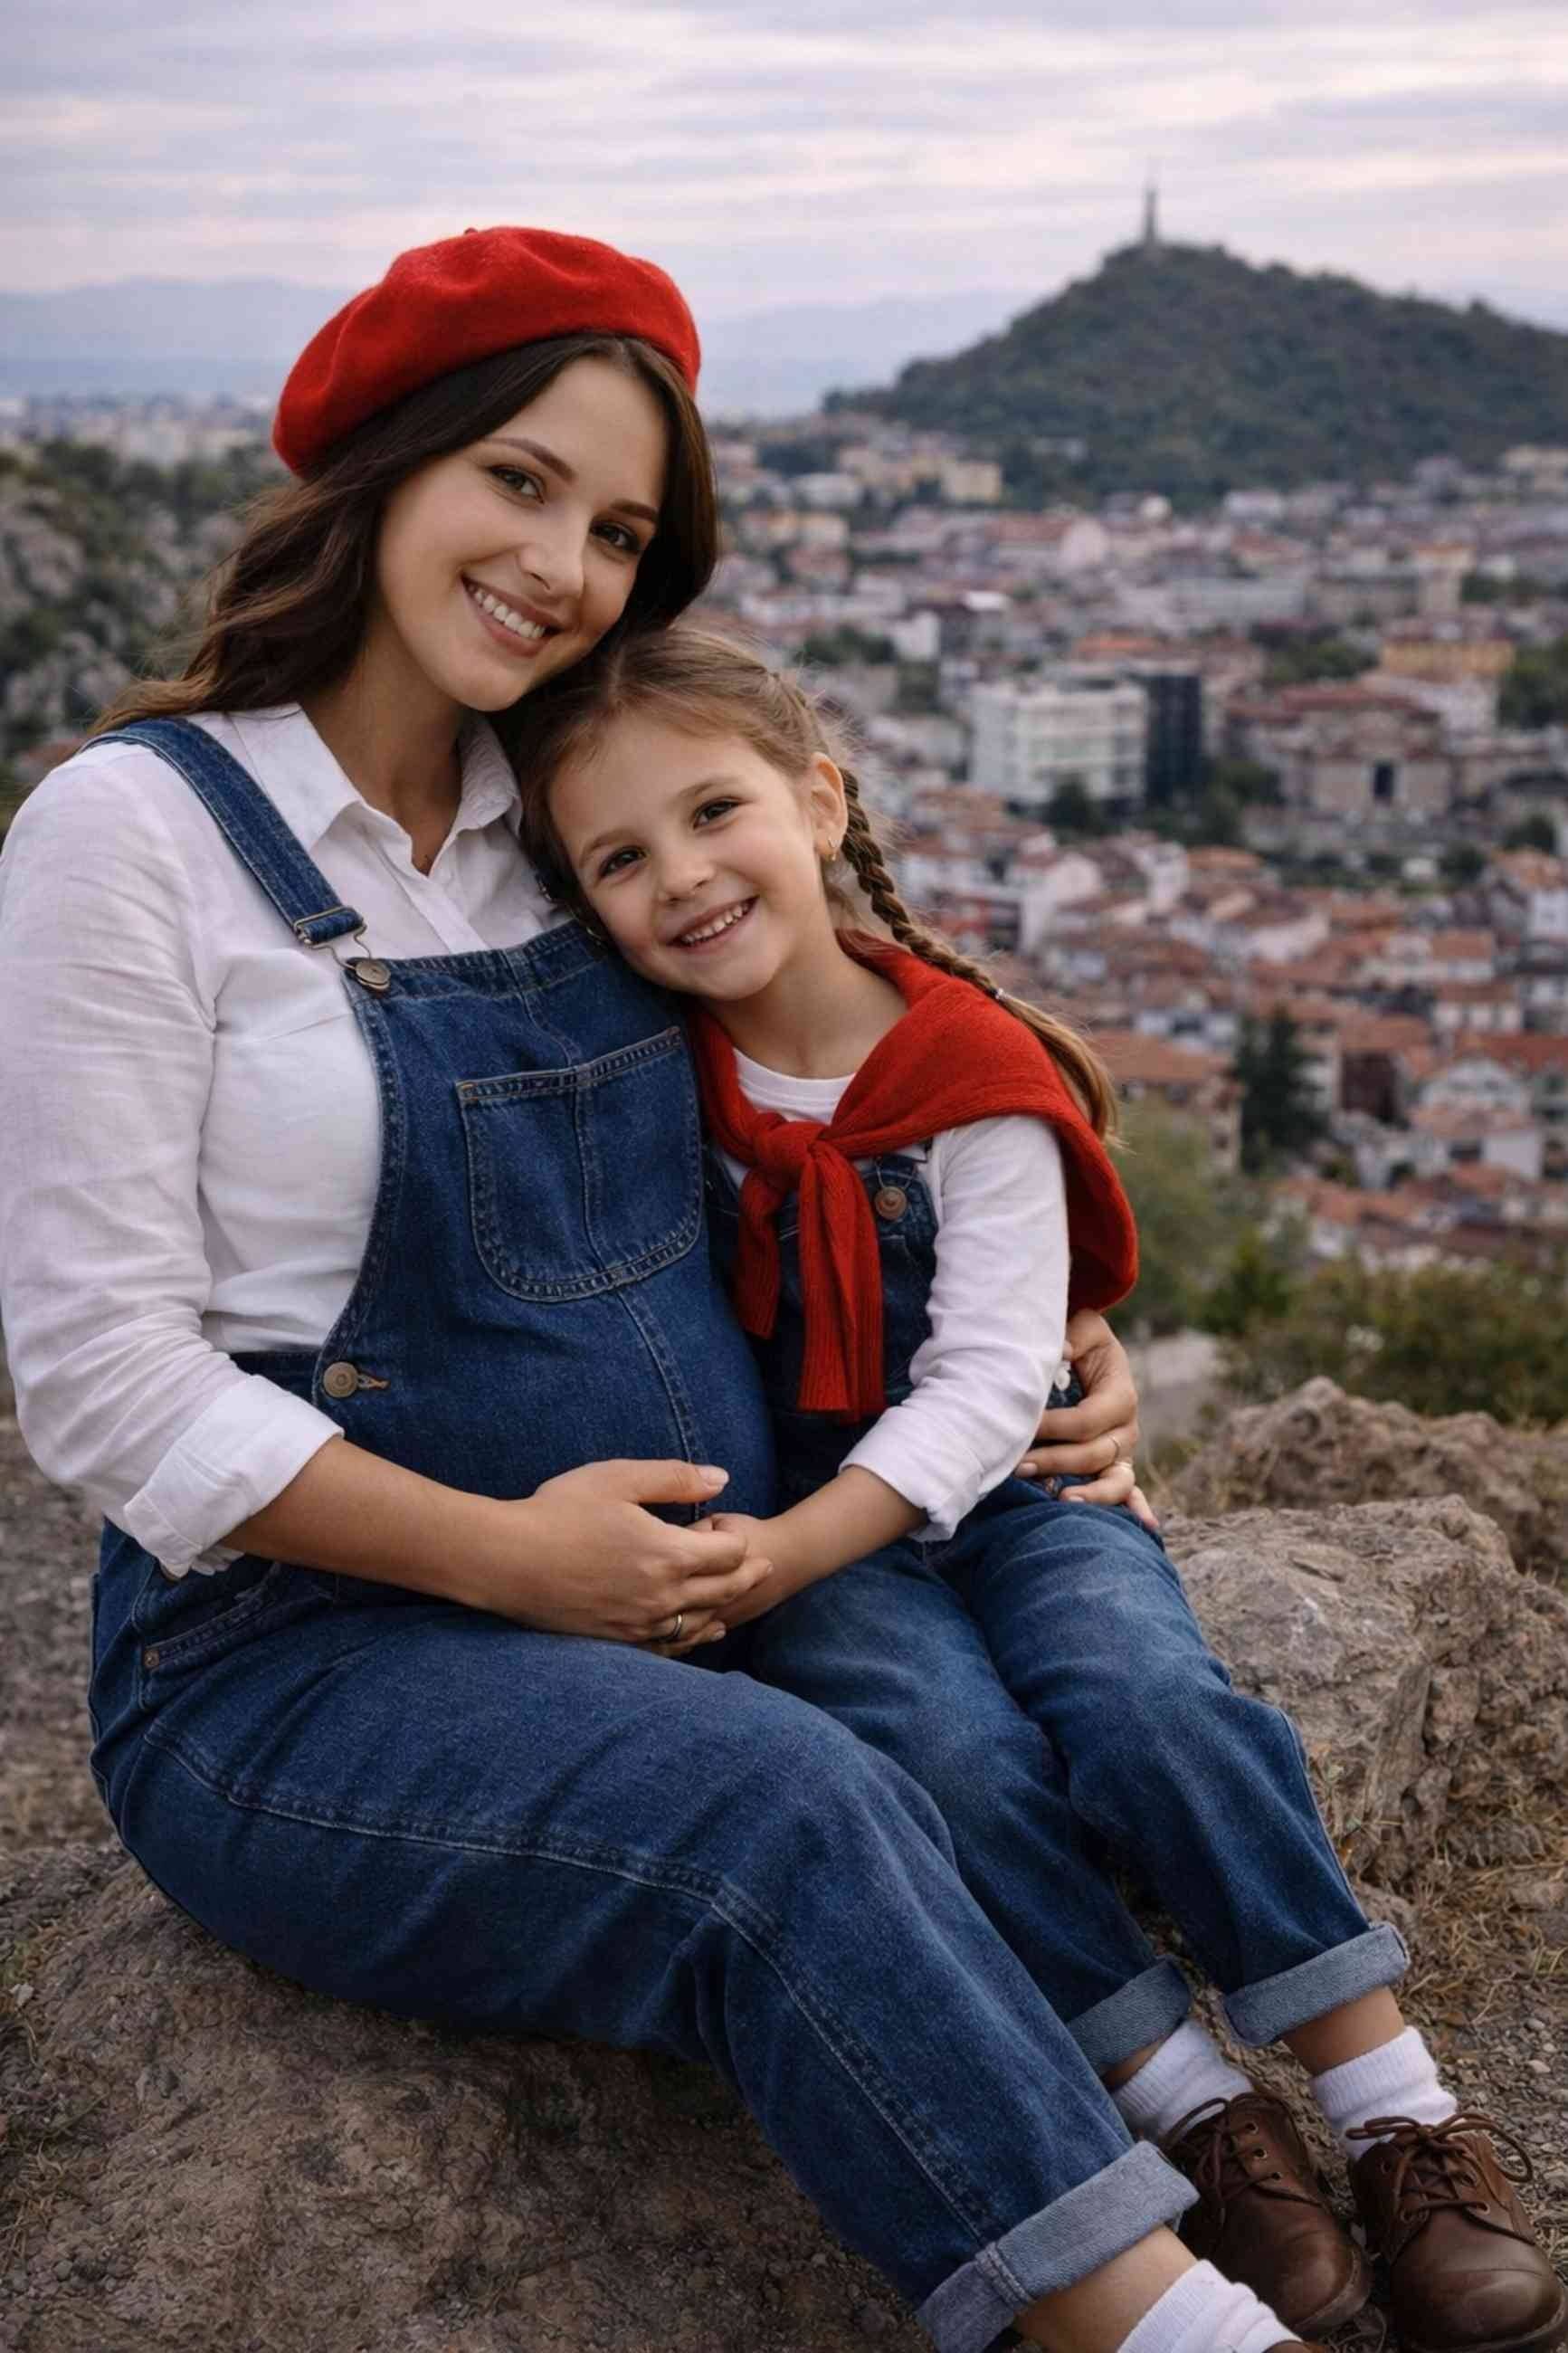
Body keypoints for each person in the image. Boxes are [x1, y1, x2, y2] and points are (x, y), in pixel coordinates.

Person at [0, 223, 1335, 2353]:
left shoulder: (580, 813)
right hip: (297, 1665)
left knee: (927, 1749)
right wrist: (520, 1566)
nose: (565, 564)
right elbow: (92, 1380)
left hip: (719, 1580)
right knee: (781, 1811)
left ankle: (1240, 2131)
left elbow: (823, 1102)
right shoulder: (128, 836)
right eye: (519, 482)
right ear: (386, 464)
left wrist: (1036, 1339)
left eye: (621, 527)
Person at [515, 622, 1566, 2353]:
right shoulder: (652, 1075)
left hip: (984, 1490)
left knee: (1156, 1708)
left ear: (820, 799)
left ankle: (1392, 2109)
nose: (681, 879)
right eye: (620, 858)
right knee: (943, 1762)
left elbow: (993, 1382)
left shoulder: (971, 1079)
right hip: (820, 1529)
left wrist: (783, 1557)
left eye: (713, 815)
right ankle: (1187, 2108)